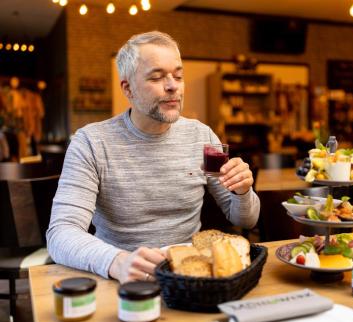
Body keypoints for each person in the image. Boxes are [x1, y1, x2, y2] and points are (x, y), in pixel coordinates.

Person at [46, 31, 260, 283]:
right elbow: (61, 233)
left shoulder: (202, 137)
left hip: (189, 278)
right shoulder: (91, 143)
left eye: (178, 76)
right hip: (121, 278)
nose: (173, 86)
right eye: (157, 77)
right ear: (128, 88)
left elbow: (245, 219)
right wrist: (116, 261)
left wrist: (243, 191)